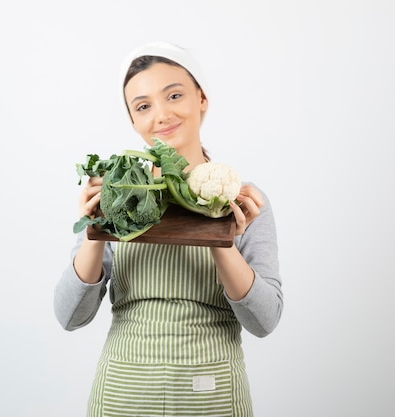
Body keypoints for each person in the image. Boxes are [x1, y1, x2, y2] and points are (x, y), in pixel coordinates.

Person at [54, 41, 283, 417]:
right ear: (133, 121)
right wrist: (95, 232)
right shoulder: (120, 195)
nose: (161, 115)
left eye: (173, 95)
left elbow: (264, 320)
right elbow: (70, 316)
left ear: (201, 98)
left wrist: (220, 234)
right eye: (143, 106)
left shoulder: (245, 201)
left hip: (212, 396)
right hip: (122, 396)